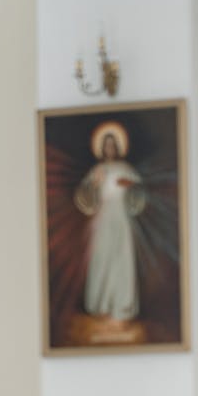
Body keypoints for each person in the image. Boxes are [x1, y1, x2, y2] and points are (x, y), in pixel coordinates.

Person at [74, 121, 146, 324]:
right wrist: (94, 186)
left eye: (113, 144)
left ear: (118, 147)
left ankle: (121, 305)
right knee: (103, 256)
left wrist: (130, 185)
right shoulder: (97, 170)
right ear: (102, 148)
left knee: (121, 257)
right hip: (104, 216)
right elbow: (84, 197)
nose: (110, 148)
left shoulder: (126, 169)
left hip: (121, 216)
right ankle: (101, 304)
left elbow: (139, 194)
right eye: (106, 145)